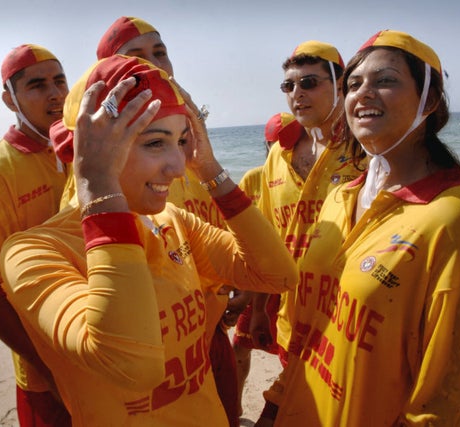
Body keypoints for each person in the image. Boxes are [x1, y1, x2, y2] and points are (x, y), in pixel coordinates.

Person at [0, 54, 298, 426]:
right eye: (156, 143)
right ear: (89, 150)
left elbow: (278, 276)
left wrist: (209, 169)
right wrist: (100, 187)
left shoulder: (171, 221)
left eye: (182, 140)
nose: (177, 166)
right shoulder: (33, 252)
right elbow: (131, 365)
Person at [267, 30, 460, 426]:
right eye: (354, 85)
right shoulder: (339, 198)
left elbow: (451, 394)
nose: (363, 94)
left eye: (386, 80)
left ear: (428, 100)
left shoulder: (452, 217)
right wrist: (275, 404)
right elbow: (306, 328)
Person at [92, 17, 247, 425]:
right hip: (155, 346)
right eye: (137, 57)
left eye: (160, 52)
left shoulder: (191, 145)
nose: (155, 65)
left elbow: (218, 231)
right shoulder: (111, 168)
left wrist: (232, 286)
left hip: (211, 331)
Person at [249, 40, 365, 423]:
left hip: (346, 323)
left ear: (342, 84)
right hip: (291, 316)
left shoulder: (367, 152)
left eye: (309, 83)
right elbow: (265, 236)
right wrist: (259, 307)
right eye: (289, 86)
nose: (297, 94)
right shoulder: (277, 157)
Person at [0, 43, 71, 426]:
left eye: (59, 81)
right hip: (45, 374)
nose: (55, 94)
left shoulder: (83, 150)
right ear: (9, 99)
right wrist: (46, 365)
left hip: (103, 346)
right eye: (37, 85)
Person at [232, 112, 302, 411]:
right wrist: (244, 293)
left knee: (294, 354)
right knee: (240, 345)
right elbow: (242, 236)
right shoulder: (254, 178)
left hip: (298, 282)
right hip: (262, 279)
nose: (281, 153)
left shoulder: (309, 178)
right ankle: (234, 407)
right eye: (274, 146)